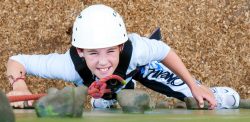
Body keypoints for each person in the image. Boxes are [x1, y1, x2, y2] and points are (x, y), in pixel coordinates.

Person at [7, 4, 229, 110]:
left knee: (195, 97)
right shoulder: (68, 65)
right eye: (93, 53)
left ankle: (218, 94)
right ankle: (106, 96)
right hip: (111, 85)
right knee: (104, 103)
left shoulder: (137, 49)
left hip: (138, 68)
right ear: (80, 51)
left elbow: (164, 51)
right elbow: (17, 60)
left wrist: (193, 86)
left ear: (121, 46)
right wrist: (19, 86)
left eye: (110, 51)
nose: (103, 62)